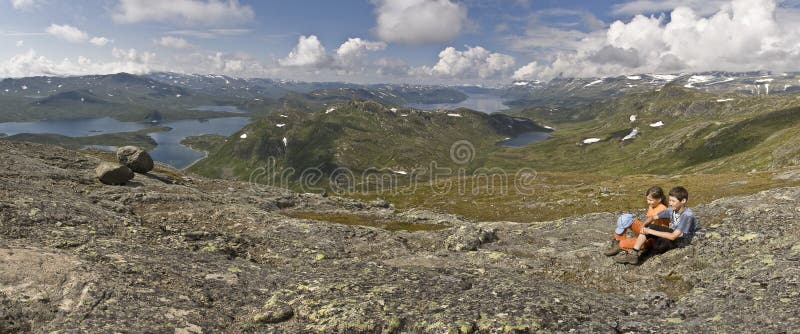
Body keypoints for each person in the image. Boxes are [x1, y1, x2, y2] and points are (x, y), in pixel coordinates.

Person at [616, 186, 698, 265]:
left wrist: (650, 231)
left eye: (673, 201)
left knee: (650, 231)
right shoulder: (671, 210)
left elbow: (673, 236)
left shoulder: (686, 216)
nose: (670, 203)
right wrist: (644, 225)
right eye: (669, 200)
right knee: (648, 228)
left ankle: (643, 248)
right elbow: (652, 217)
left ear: (683, 201)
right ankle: (633, 254)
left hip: (679, 241)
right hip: (671, 235)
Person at [603, 186, 669, 256]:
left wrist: (643, 231)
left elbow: (652, 220)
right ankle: (617, 240)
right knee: (627, 220)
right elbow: (649, 220)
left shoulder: (662, 209)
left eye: (650, 200)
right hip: (647, 229)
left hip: (654, 237)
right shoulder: (652, 205)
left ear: (659, 199)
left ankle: (621, 245)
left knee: (623, 244)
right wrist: (643, 226)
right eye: (647, 199)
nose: (648, 202)